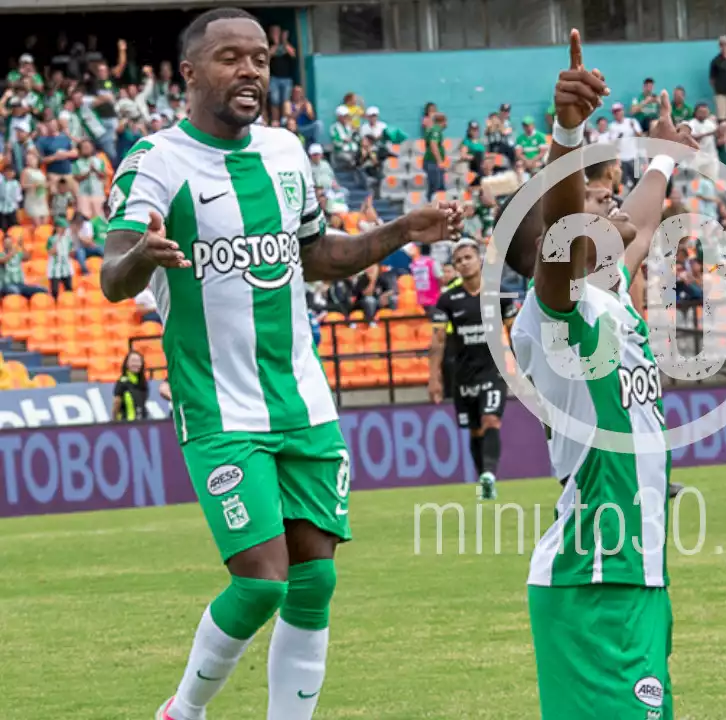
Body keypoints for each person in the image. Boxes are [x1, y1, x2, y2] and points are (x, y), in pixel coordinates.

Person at [96, 10, 462, 720]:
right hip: (219, 410)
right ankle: (184, 711)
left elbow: (318, 257)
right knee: (262, 581)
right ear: (190, 72)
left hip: (304, 404)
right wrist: (140, 257)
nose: (250, 71)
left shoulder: (288, 152)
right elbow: (112, 277)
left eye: (260, 58)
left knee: (314, 583)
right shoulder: (154, 161)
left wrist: (399, 231)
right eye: (230, 57)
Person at [502, 36, 698, 717]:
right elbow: (564, 223)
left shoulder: (607, 294)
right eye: (600, 210)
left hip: (635, 574)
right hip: (592, 580)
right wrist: (568, 131)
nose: (616, 213)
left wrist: (664, 159)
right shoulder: (554, 312)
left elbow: (640, 224)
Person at [428, 240, 516, 501]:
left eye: (468, 257)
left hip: (493, 369)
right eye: (458, 260)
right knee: (476, 430)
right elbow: (438, 341)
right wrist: (434, 378)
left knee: (491, 420)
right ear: (454, 268)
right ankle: (485, 483)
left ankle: (489, 474)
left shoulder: (500, 294)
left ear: (479, 260)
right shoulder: (447, 301)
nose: (464, 263)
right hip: (463, 373)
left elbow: (515, 333)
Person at [114, 349, 151, 422]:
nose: (136, 364)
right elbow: (116, 403)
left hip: (142, 422)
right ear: (127, 364)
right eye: (133, 361)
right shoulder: (122, 381)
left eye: (138, 361)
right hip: (127, 424)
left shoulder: (143, 382)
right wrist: (115, 421)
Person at [46, 216, 75, 298]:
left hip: (66, 267)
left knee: (68, 288)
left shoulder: (68, 239)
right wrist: (57, 240)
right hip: (55, 268)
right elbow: (51, 252)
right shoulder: (51, 239)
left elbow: (71, 253)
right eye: (62, 227)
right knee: (55, 291)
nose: (64, 230)